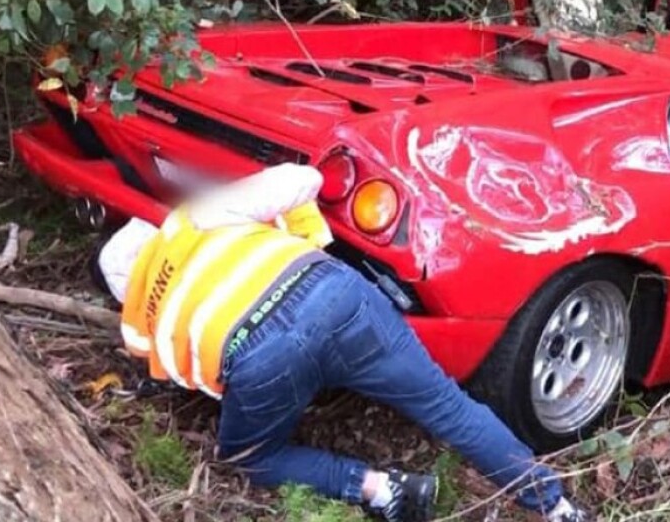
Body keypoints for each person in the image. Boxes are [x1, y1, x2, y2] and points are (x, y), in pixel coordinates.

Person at [95, 163, 592, 522]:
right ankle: (558, 508)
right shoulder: (194, 219)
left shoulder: (139, 318)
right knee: (448, 407)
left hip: (261, 353)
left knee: (250, 454)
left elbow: (201, 379)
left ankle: (383, 489)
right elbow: (303, 181)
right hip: (333, 292)